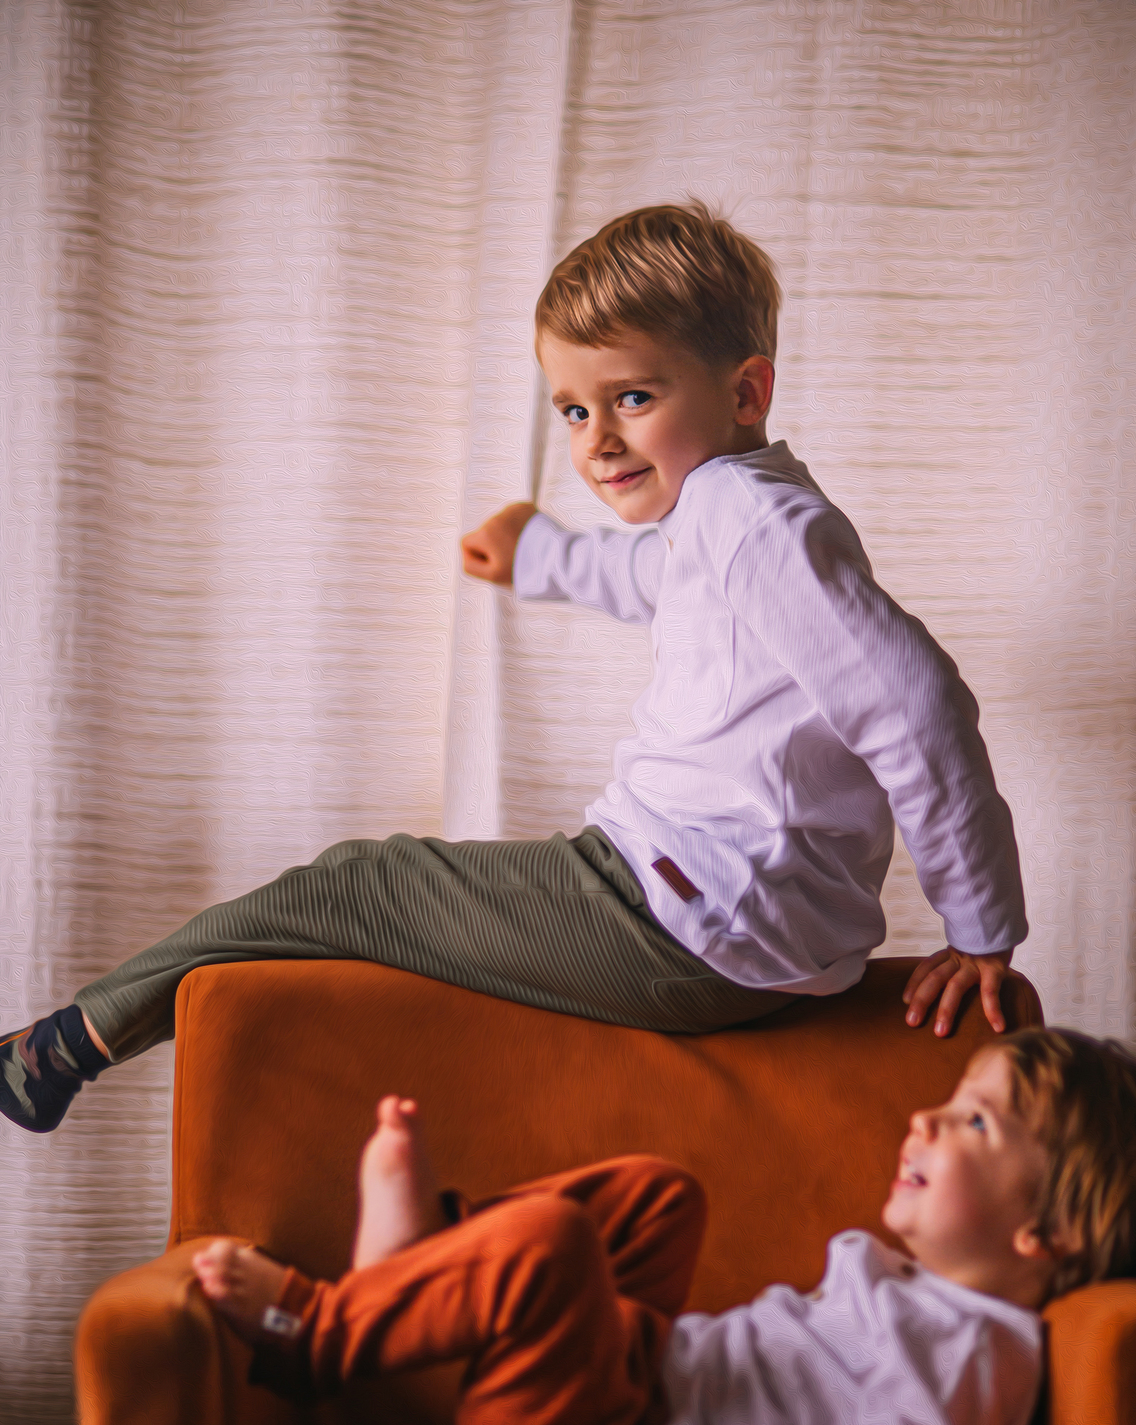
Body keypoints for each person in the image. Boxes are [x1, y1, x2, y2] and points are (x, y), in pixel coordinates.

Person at [2, 203, 1027, 1137]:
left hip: (685, 910)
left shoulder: (743, 515)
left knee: (359, 886)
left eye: (631, 396)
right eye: (573, 411)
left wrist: (979, 923)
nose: (599, 442)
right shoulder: (740, 514)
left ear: (747, 389)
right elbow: (653, 578)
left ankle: (63, 1047)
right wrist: (540, 556)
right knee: (384, 918)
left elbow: (918, 704)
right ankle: (82, 1039)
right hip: (747, 927)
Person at [192, 1027, 1136, 1425]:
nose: (924, 1120)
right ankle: (418, 1269)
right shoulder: (925, 1295)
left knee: (553, 1244)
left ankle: (314, 1331)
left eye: (976, 1121)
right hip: (633, 1377)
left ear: (1053, 1229)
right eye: (946, 1102)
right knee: (657, 1197)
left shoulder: (983, 1349)